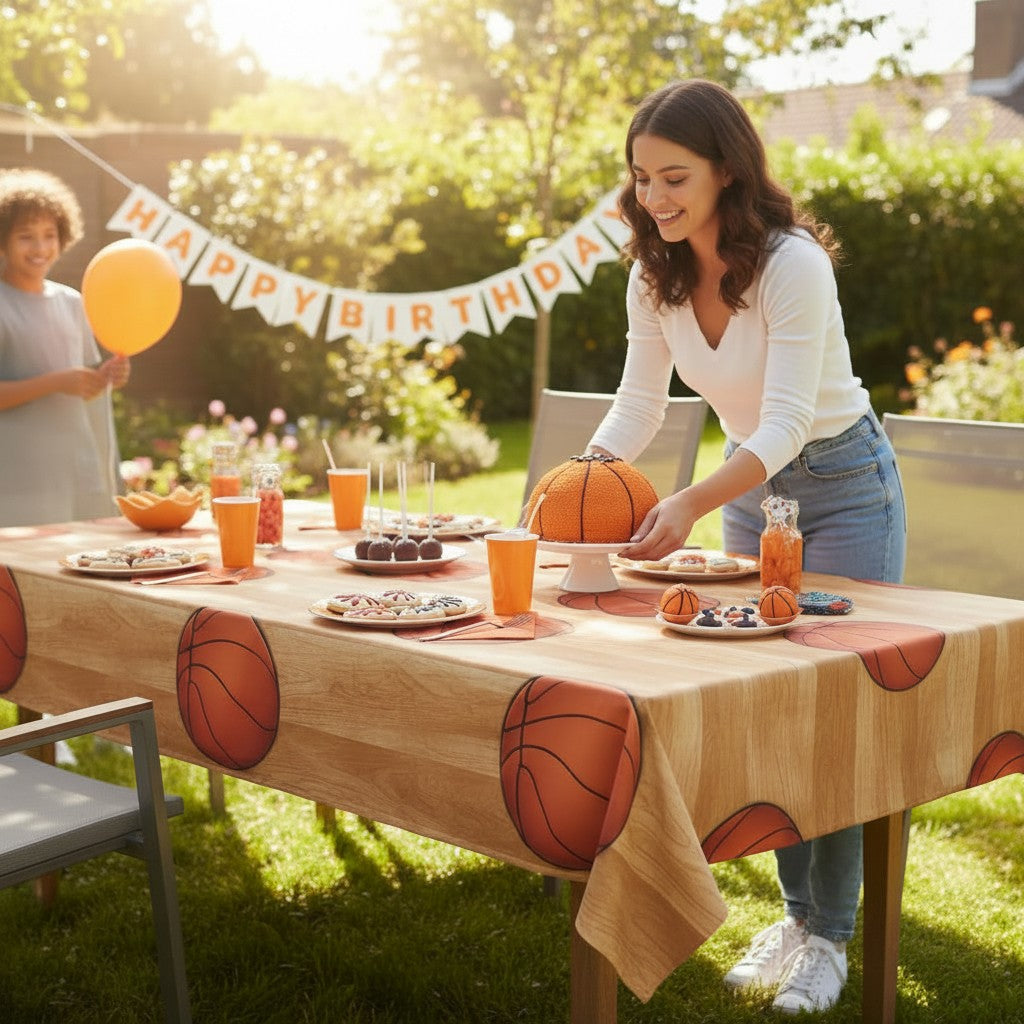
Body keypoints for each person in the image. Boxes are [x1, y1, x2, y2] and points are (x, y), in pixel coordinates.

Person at [586, 80, 906, 1015]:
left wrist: (685, 502)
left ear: (729, 167)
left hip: (843, 489)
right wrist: (584, 476)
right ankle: (797, 912)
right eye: (642, 178)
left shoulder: (794, 263)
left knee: (832, 714)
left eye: (674, 176)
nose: (654, 198)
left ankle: (831, 938)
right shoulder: (655, 274)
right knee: (765, 707)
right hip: (749, 494)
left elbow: (791, 421)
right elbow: (642, 403)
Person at [0, 168, 130, 527]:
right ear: (2, 241)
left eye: (49, 235)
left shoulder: (73, 302)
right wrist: (56, 382)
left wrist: (107, 377)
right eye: (26, 237)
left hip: (73, 474)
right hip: (14, 483)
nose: (40, 248)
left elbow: (85, 385)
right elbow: (64, 380)